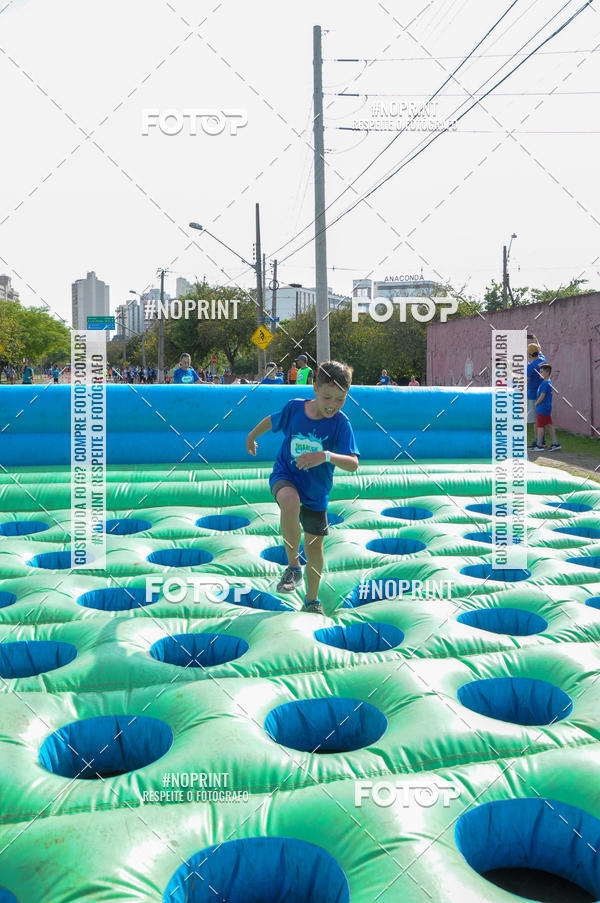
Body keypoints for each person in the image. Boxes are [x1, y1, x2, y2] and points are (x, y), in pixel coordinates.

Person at [246, 360, 359, 615]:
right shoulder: (295, 408)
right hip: (286, 475)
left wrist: (326, 456)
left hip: (316, 491)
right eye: (327, 396)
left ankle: (311, 599)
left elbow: (353, 463)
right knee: (289, 500)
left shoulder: (341, 423)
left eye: (340, 400)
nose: (332, 405)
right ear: (315, 389)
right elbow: (271, 421)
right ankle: (293, 566)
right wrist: (251, 437)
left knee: (315, 547)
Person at [531, 363, 561, 451]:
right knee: (550, 425)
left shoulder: (545, 383)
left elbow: (542, 395)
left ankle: (539, 445)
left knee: (540, 426)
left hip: (542, 407)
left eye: (541, 372)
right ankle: (556, 443)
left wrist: (536, 403)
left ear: (547, 373)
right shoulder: (548, 382)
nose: (540, 373)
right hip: (547, 407)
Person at [527, 342, 546, 448]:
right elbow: (541, 350)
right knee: (541, 417)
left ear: (529, 354)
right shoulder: (543, 359)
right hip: (542, 393)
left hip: (533, 394)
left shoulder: (530, 366)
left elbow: (526, 379)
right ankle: (542, 440)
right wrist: (535, 339)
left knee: (535, 420)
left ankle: (536, 441)